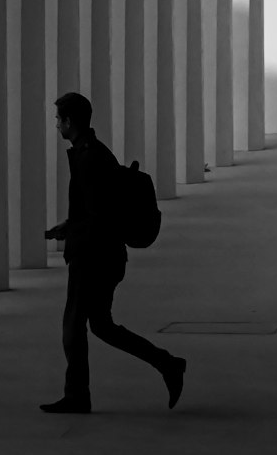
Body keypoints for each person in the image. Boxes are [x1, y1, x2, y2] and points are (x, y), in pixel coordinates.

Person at [41, 91, 186, 415]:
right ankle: (168, 364)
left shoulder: (89, 157)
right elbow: (95, 210)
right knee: (101, 325)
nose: (55, 125)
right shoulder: (91, 153)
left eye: (58, 119)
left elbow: (98, 217)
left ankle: (77, 395)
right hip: (103, 255)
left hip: (94, 258)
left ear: (69, 121)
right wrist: (69, 226)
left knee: (73, 326)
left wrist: (76, 233)